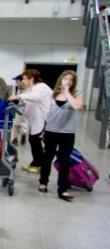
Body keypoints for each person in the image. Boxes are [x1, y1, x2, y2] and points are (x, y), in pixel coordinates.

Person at [38, 70, 84, 201]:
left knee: (64, 160)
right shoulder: (53, 94)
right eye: (65, 79)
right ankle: (43, 182)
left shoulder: (77, 94)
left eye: (70, 80)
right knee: (47, 157)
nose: (68, 82)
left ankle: (62, 189)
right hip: (51, 130)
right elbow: (46, 111)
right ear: (61, 80)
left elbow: (77, 106)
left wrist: (68, 92)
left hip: (67, 132)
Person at [10, 69, 52, 173]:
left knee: (35, 141)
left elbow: (36, 97)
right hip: (34, 119)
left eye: (24, 78)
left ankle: (39, 165)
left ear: (31, 78)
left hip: (42, 119)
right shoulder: (30, 89)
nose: (22, 80)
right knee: (33, 141)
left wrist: (19, 96)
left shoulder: (41, 87)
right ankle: (36, 163)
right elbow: (26, 101)